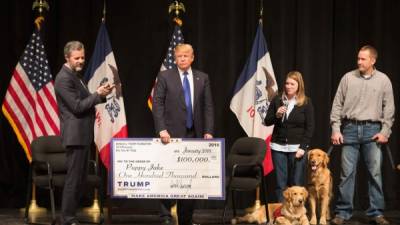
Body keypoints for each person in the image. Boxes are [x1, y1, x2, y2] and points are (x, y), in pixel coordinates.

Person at [330, 45, 395, 225]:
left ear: (373, 60)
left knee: (374, 173)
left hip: (372, 130)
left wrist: (385, 131)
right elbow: (337, 105)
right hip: (349, 129)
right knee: (346, 174)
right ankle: (342, 213)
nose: (359, 61)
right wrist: (336, 129)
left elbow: (389, 109)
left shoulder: (383, 80)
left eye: (363, 59)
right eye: (358, 58)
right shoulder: (348, 78)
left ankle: (376, 212)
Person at [152, 43, 214, 225]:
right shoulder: (165, 76)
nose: (183, 59)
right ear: (175, 58)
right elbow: (158, 104)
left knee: (190, 179)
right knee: (168, 176)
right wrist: (161, 128)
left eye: (186, 56)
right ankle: (165, 216)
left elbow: (208, 107)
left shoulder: (202, 78)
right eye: (179, 56)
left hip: (194, 136)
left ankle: (186, 218)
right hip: (169, 136)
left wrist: (209, 131)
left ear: (192, 57)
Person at [54, 41, 113, 225]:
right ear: (67, 58)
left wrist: (101, 94)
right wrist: (96, 94)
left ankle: (70, 216)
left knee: (80, 179)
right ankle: (67, 218)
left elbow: (85, 100)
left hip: (83, 135)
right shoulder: (64, 78)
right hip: (75, 136)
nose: (81, 61)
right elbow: (77, 107)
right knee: (74, 179)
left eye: (82, 57)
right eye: (77, 58)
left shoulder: (75, 75)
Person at [264, 71, 314, 202]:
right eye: (287, 83)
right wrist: (276, 115)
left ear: (299, 85)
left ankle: (297, 216)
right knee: (281, 183)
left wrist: (303, 147)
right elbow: (267, 121)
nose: (288, 86)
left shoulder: (306, 102)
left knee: (296, 183)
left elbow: (310, 128)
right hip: (278, 147)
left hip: (297, 148)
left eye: (292, 84)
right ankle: (282, 213)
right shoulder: (277, 99)